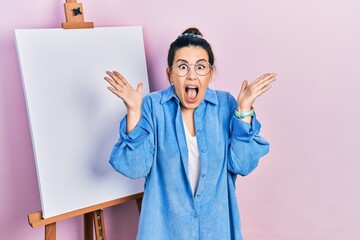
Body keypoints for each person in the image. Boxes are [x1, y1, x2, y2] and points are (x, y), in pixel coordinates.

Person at [104, 27, 276, 240]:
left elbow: (241, 164)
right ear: (170, 74)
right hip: (165, 231)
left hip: (216, 230)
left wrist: (244, 110)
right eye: (183, 67)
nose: (192, 75)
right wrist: (133, 111)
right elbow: (134, 166)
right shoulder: (152, 107)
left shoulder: (225, 105)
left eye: (200, 67)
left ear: (210, 74)